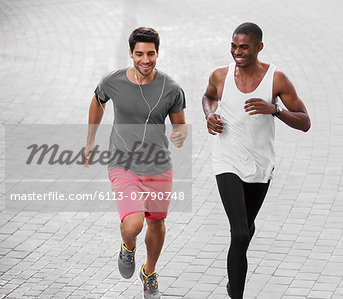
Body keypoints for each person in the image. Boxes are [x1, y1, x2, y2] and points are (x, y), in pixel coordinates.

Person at [202, 22, 310, 298]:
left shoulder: (276, 79)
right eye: (233, 46)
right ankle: (236, 293)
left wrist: (275, 109)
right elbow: (208, 97)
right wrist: (209, 115)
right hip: (227, 159)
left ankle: (234, 278)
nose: (237, 52)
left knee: (245, 230)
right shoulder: (219, 75)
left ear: (259, 47)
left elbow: (305, 122)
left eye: (244, 47)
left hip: (260, 165)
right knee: (239, 233)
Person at [83, 27, 187, 299]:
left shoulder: (171, 88)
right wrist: (91, 139)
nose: (145, 60)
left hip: (158, 167)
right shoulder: (113, 81)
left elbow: (180, 124)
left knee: (156, 224)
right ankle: (128, 246)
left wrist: (180, 134)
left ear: (157, 53)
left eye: (150, 54)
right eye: (139, 53)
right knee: (134, 225)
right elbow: (98, 101)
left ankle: (149, 272)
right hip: (122, 163)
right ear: (130, 53)